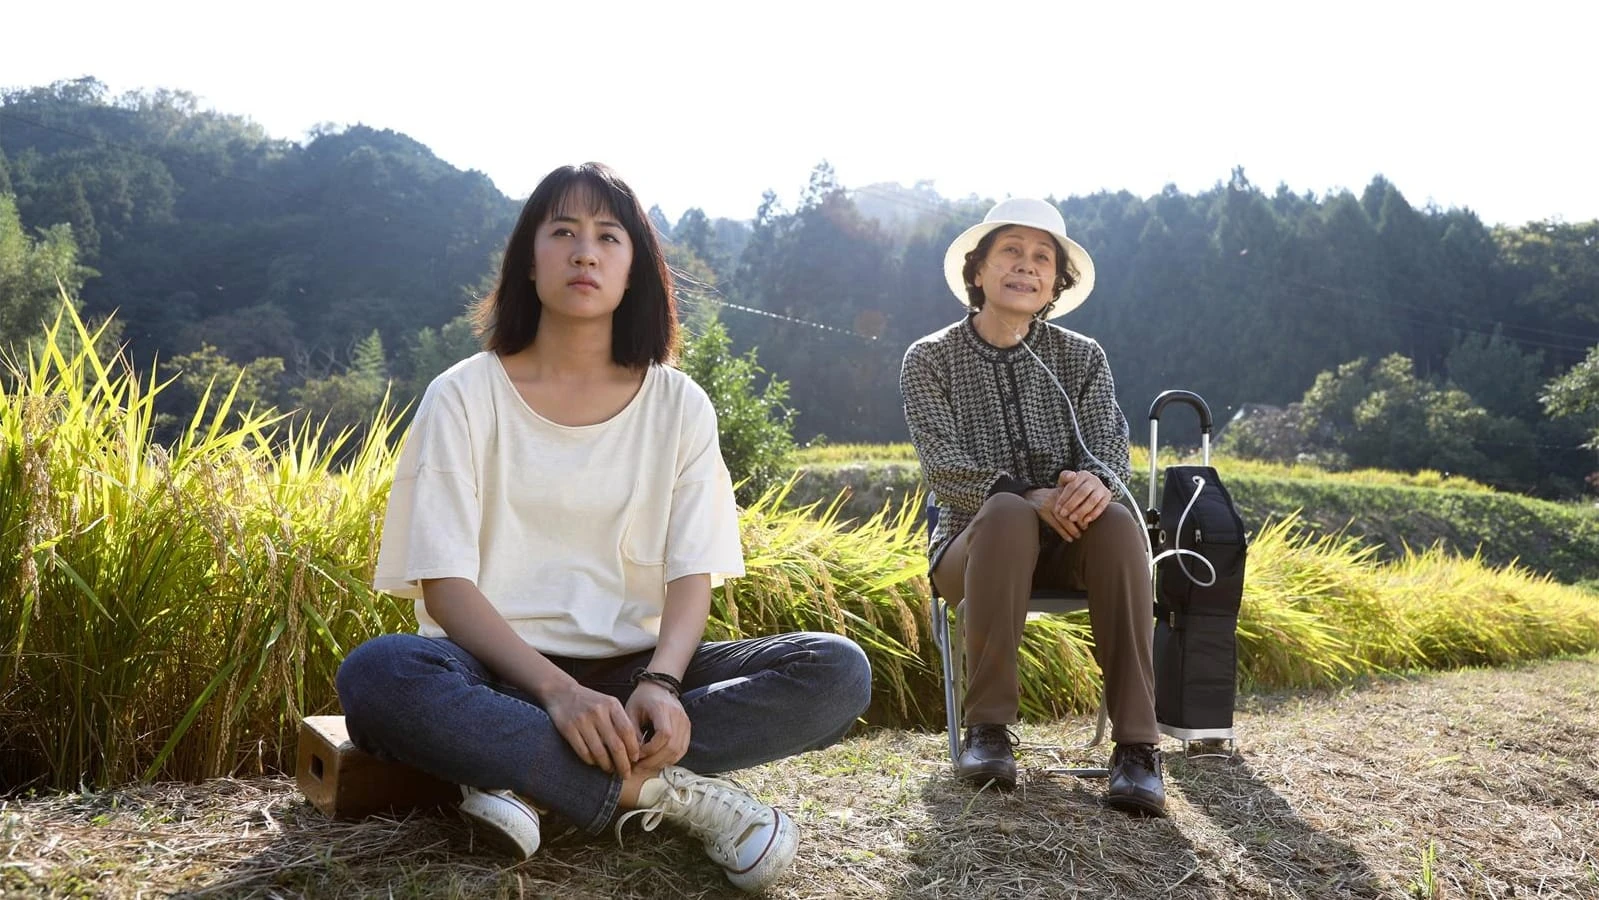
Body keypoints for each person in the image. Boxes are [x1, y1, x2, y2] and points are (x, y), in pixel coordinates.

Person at [336, 162, 873, 891]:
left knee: (836, 670)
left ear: (634, 269)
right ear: (530, 262)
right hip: (492, 673)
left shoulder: (679, 405)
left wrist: (662, 682)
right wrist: (559, 695)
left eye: (607, 237)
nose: (584, 252)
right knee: (379, 674)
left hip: (631, 673)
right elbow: (445, 586)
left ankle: (524, 772)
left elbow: (691, 571)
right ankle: (661, 795)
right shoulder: (463, 394)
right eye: (562, 232)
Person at [899, 197, 1166, 816]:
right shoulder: (930, 358)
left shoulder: (1082, 356)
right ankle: (988, 731)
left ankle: (1138, 748)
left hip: (1073, 549)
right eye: (1011, 252)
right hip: (972, 551)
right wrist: (1030, 495)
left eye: (1042, 258)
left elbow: (1109, 448)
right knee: (1008, 512)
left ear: (1055, 281)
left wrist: (1094, 485)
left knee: (1118, 520)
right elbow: (943, 467)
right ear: (979, 270)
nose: (1027, 266)